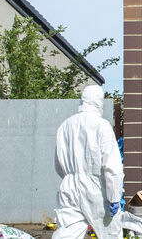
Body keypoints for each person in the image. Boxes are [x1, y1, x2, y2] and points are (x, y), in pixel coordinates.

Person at [53, 85, 124, 239]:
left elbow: (58, 164)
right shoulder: (102, 125)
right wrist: (114, 197)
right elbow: (112, 168)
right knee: (111, 233)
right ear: (99, 102)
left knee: (67, 232)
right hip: (96, 187)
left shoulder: (65, 126)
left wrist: (71, 177)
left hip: (69, 186)